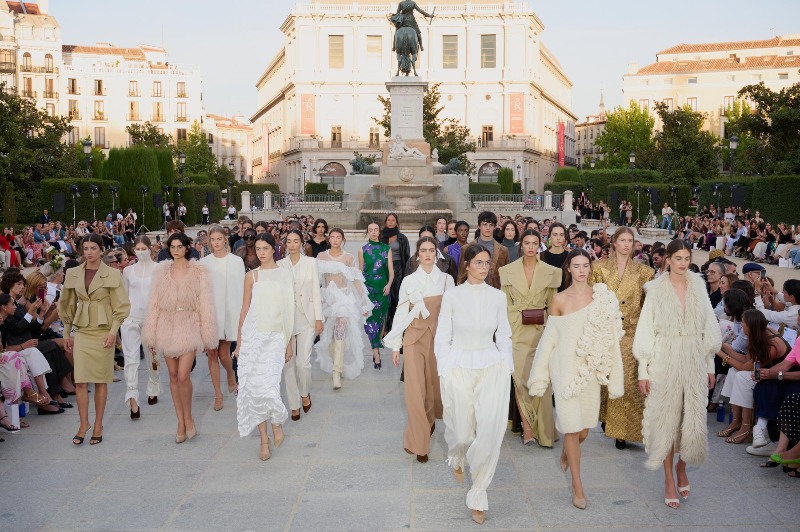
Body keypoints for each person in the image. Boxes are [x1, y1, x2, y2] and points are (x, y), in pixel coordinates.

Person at [529, 249, 624, 509]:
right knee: (571, 427)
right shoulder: (558, 299)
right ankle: (577, 486)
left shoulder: (603, 297)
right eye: (576, 266)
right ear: (568, 269)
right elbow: (550, 339)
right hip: (565, 369)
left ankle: (567, 452)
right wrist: (540, 375)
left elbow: (612, 337)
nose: (581, 270)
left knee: (583, 430)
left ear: (590, 268)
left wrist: (614, 374)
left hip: (589, 371)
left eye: (585, 265)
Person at [633, 239, 722, 509]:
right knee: (668, 421)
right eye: (678, 258)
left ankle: (683, 467)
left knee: (693, 419)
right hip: (665, 359)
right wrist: (643, 370)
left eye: (687, 258)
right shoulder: (656, 290)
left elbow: (709, 325)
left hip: (694, 357)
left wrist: (709, 366)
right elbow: (646, 330)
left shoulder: (698, 286)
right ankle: (669, 480)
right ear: (667, 259)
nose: (683, 263)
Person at [434, 243, 513, 525]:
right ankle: (457, 456)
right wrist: (444, 367)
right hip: (458, 365)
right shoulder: (452, 296)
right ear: (466, 265)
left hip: (491, 366)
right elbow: (443, 335)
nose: (483, 267)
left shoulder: (497, 297)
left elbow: (504, 333)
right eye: (478, 262)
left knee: (490, 432)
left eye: (486, 263)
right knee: (462, 433)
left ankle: (478, 493)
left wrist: (507, 365)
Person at [142, 232, 218, 443]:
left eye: (179, 246)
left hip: (189, 324)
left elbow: (206, 304)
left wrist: (207, 334)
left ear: (187, 247)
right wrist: (150, 334)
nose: (175, 250)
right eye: (172, 247)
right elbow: (154, 304)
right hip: (166, 326)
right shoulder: (161, 272)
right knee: (173, 376)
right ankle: (180, 421)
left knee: (184, 375)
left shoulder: (199, 272)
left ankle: (189, 418)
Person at [384, 236, 454, 463]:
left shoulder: (446, 280)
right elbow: (401, 314)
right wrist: (396, 346)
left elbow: (452, 314)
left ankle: (430, 421)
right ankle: (419, 444)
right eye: (423, 250)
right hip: (413, 339)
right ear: (417, 255)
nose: (427, 254)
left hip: (438, 339)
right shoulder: (409, 281)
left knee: (433, 388)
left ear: (436, 254)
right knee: (414, 390)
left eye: (431, 250)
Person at [59, 234, 131, 445]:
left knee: (100, 380)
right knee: (80, 380)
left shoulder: (112, 274)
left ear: (101, 249)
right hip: (81, 331)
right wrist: (66, 334)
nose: (89, 252)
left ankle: (98, 424)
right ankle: (84, 424)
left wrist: (112, 333)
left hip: (102, 331)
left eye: (93, 248)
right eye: (86, 248)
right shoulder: (73, 273)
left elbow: (121, 307)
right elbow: (67, 305)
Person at [589, 226, 654, 450]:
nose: (626, 244)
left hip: (631, 332)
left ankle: (624, 431)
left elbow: (648, 307)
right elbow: (591, 299)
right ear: (614, 243)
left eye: (630, 240)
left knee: (627, 381)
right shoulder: (598, 268)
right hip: (605, 332)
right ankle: (609, 421)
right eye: (622, 240)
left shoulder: (644, 272)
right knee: (606, 380)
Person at [233, 233, 294, 461]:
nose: (261, 252)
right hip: (253, 336)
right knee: (253, 389)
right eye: (258, 248)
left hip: (275, 337)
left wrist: (289, 343)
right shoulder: (252, 276)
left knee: (268, 387)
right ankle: (264, 440)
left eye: (265, 248)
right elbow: (244, 310)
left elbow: (290, 311)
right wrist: (240, 342)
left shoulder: (285, 274)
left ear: (273, 249)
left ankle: (277, 422)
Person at [499, 230, 562, 447]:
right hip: (515, 331)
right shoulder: (506, 271)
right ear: (521, 245)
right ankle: (527, 427)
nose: (531, 247)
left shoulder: (552, 272)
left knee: (541, 381)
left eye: (535, 243)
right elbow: (504, 304)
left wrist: (555, 336)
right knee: (520, 380)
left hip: (541, 331)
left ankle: (544, 431)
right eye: (527, 242)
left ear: (540, 245)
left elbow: (554, 306)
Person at [315, 229, 372, 389]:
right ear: (329, 239)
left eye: (338, 237)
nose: (335, 240)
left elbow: (355, 280)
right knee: (330, 335)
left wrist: (363, 303)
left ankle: (336, 372)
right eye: (332, 237)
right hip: (326, 299)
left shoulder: (348, 258)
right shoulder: (321, 257)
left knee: (340, 332)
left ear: (342, 239)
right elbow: (316, 280)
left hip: (343, 299)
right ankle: (335, 364)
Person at [278, 229, 323, 421]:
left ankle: (305, 392)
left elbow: (316, 291)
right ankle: (294, 404)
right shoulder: (279, 265)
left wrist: (319, 318)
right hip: (286, 320)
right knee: (288, 364)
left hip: (306, 318)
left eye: (296, 241)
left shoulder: (311, 263)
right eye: (289, 241)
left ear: (302, 243)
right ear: (285, 244)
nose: (292, 244)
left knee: (303, 363)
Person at [200, 225, 245, 411]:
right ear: (209, 242)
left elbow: (241, 289)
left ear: (225, 239)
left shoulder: (236, 261)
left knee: (224, 354)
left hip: (229, 312)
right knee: (211, 354)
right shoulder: (204, 263)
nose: (216, 242)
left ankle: (230, 373)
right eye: (213, 239)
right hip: (210, 312)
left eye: (219, 239)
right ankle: (217, 394)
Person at [120, 236, 161, 418]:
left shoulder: (159, 269)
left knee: (153, 355)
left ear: (151, 249)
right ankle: (132, 397)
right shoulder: (128, 271)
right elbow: (125, 295)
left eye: (144, 248)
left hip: (152, 318)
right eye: (138, 248)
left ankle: (153, 385)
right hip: (131, 318)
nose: (141, 251)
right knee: (131, 358)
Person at [360, 221, 394, 369]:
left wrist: (388, 285)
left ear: (379, 232)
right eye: (370, 230)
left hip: (382, 289)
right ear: (367, 232)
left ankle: (377, 345)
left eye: (375, 230)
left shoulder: (387, 249)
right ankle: (376, 353)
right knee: (369, 322)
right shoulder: (362, 250)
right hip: (368, 289)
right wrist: (361, 292)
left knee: (380, 320)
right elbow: (360, 273)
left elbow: (391, 271)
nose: (373, 232)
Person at [380, 213, 410, 333]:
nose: (391, 222)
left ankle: (395, 328)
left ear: (396, 222)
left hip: (398, 270)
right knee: (385, 299)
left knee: (396, 299)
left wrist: (406, 274)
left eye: (393, 220)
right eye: (389, 220)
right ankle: (384, 328)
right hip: (384, 269)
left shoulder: (402, 238)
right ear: (386, 222)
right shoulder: (381, 237)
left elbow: (407, 257)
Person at [473, 211, 508, 289]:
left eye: (491, 225)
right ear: (479, 226)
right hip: (472, 292)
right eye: (485, 224)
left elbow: (506, 276)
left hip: (495, 292)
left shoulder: (503, 250)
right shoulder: (467, 248)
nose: (488, 228)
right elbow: (462, 275)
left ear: (495, 227)